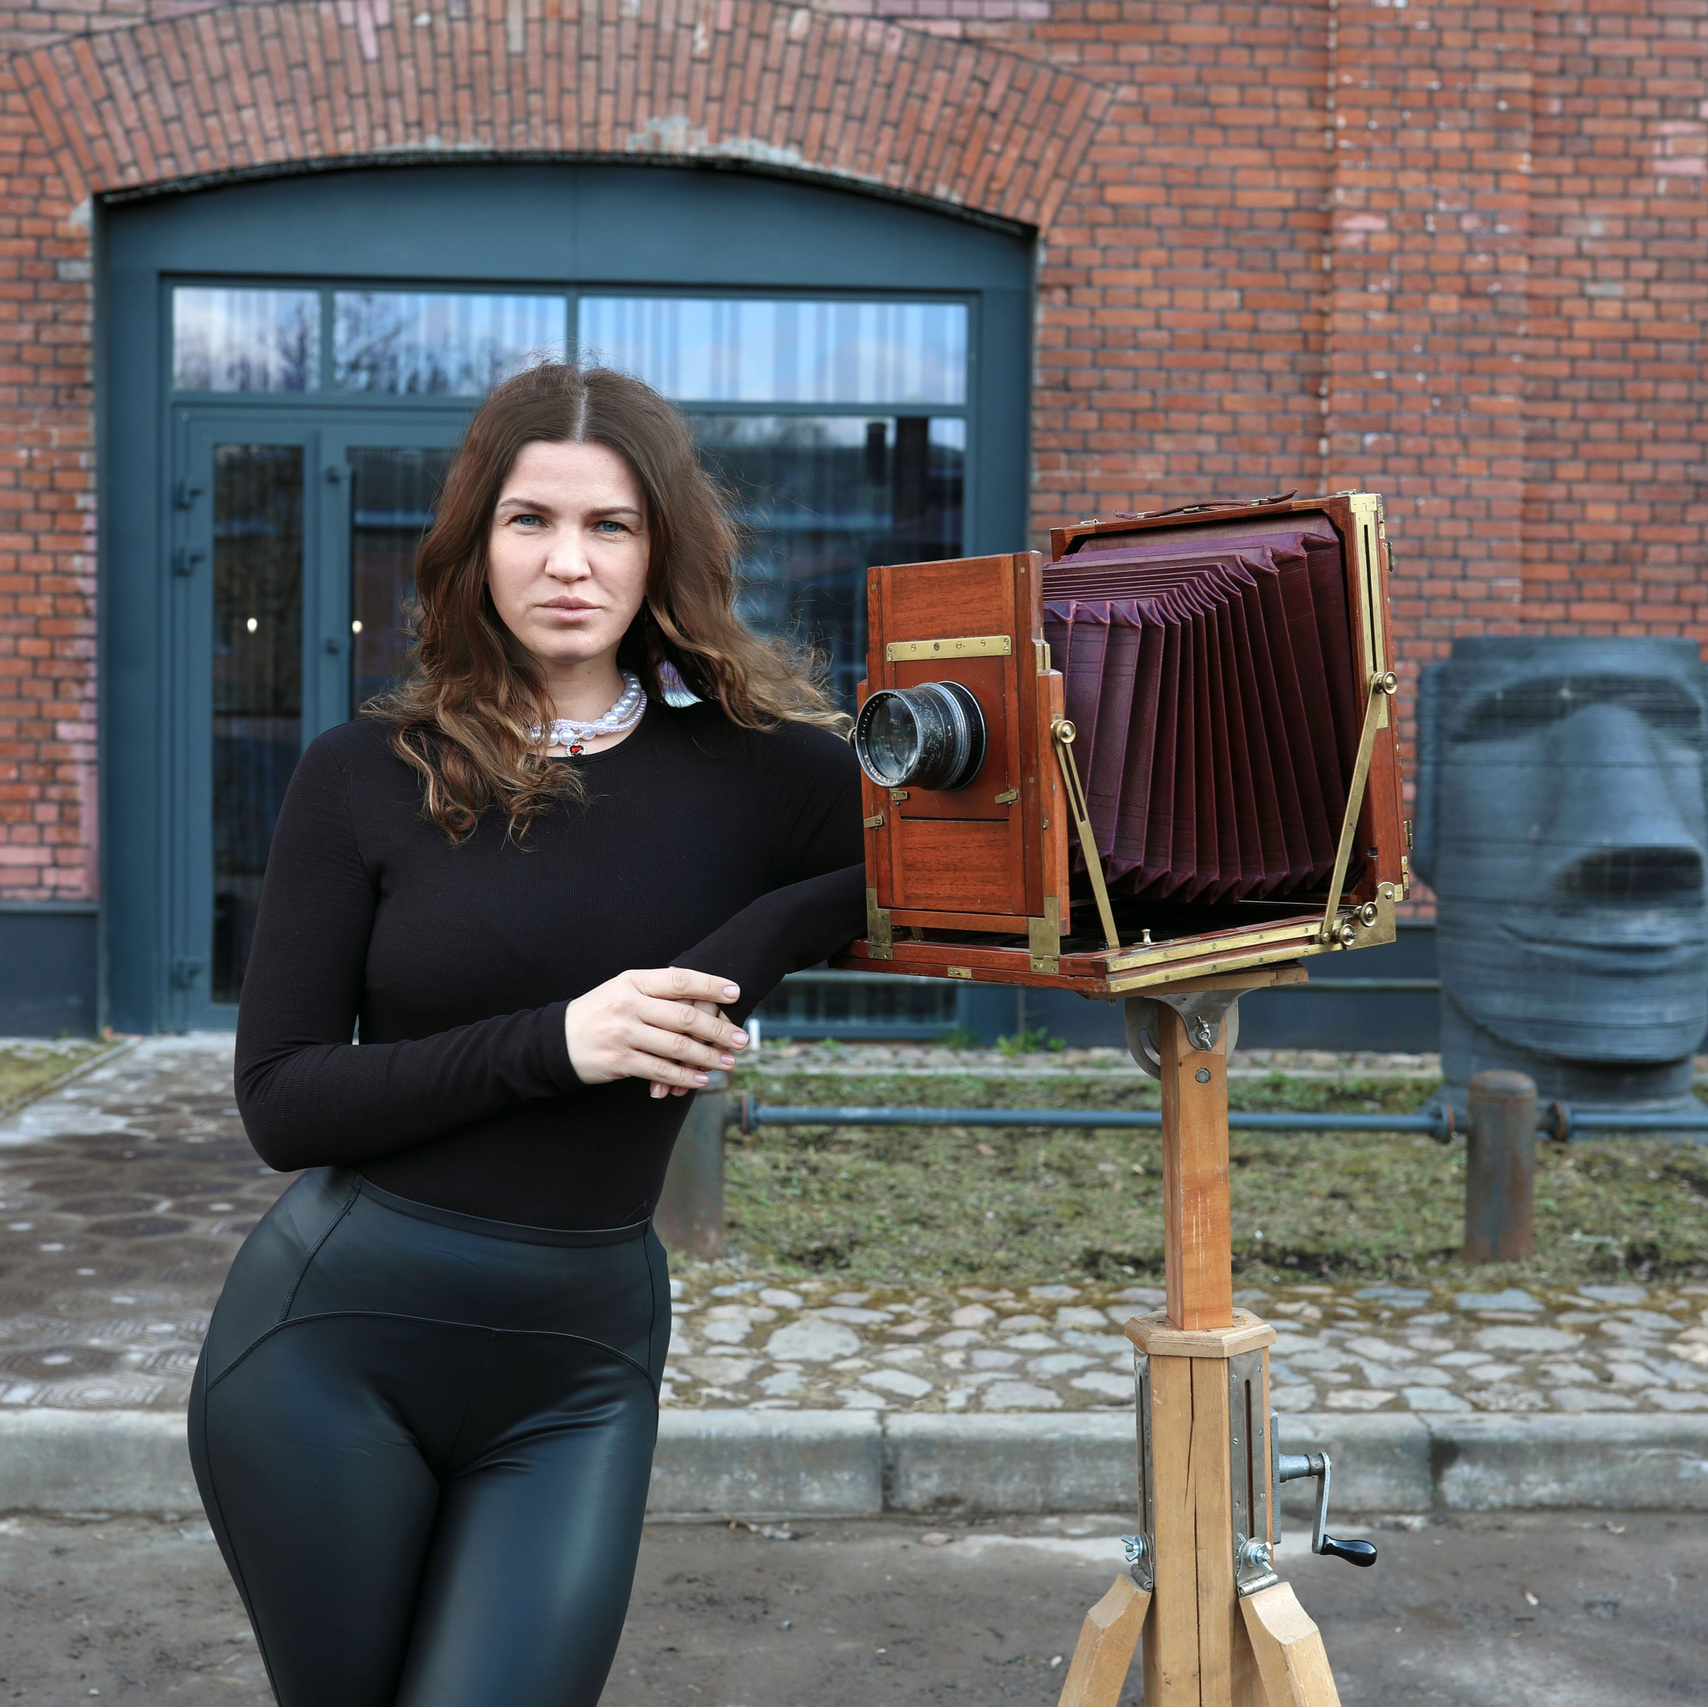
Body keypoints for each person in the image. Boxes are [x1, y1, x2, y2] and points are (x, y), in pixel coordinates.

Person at [188, 363, 866, 1707]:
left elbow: (986, 868)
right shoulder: (364, 773)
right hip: (331, 1349)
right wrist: (561, 1041)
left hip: (579, 1363)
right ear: (473, 545)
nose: (570, 563)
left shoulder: (765, 773)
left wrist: (764, 938)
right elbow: (283, 1103)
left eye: (609, 525)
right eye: (529, 522)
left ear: (663, 544)